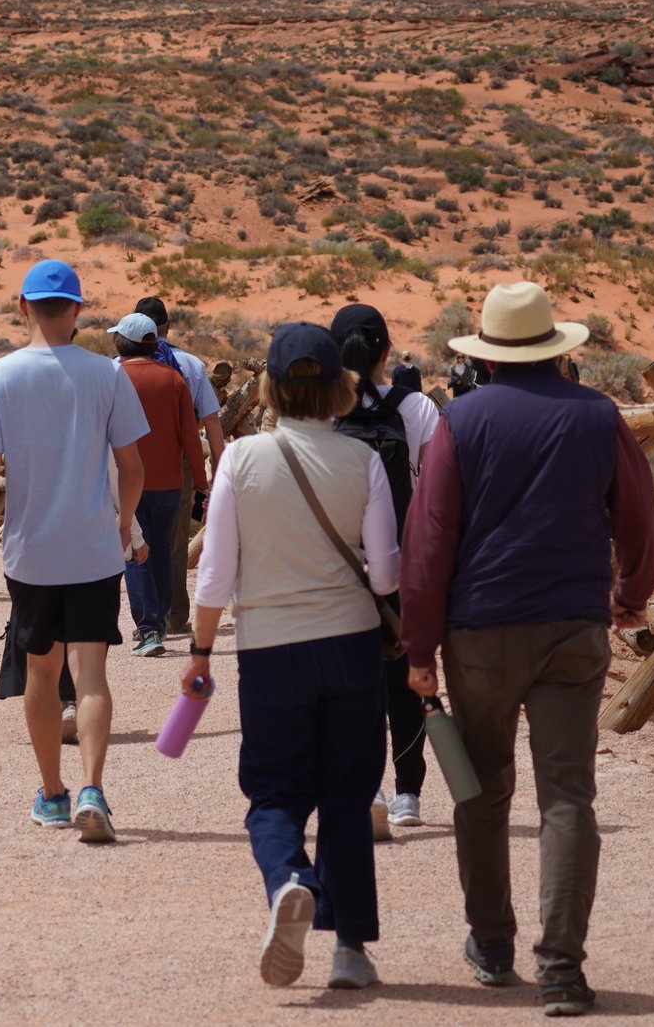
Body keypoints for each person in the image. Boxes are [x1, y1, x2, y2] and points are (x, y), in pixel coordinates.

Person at [399, 281, 654, 1018]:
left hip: (480, 628)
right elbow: (640, 516)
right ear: (555, 348)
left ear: (485, 353)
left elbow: (429, 540)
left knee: (482, 789)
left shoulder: (461, 420)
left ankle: (491, 943)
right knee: (567, 795)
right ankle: (562, 969)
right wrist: (631, 592)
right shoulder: (598, 416)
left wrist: (419, 646)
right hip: (573, 624)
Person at [189, 322, 399, 991]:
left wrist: (199, 651)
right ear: (339, 386)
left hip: (270, 648)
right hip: (351, 644)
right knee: (347, 796)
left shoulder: (241, 460)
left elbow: (214, 574)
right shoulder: (362, 459)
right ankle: (351, 951)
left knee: (275, 793)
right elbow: (386, 575)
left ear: (270, 388)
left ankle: (289, 878)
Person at [0, 259, 148, 843]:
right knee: (90, 672)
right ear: (77, 310)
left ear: (23, 307)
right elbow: (132, 467)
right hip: (93, 549)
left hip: (31, 553)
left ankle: (52, 793)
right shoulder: (107, 375)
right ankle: (93, 787)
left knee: (41, 672)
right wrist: (123, 523)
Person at [330, 303, 444, 833]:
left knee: (350, 681)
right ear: (387, 351)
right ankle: (408, 793)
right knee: (407, 677)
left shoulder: (323, 407)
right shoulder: (417, 407)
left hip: (340, 566)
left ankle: (365, 784)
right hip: (405, 561)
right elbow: (436, 492)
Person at [109, 313, 208, 658]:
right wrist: (200, 482)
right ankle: (160, 622)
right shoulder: (174, 379)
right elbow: (190, 437)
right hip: (169, 482)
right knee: (163, 551)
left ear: (123, 342)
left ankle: (149, 628)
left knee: (135, 550)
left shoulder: (113, 377)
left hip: (126, 482)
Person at [132, 296, 225, 633]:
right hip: (179, 461)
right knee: (173, 540)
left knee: (136, 535)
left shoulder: (118, 367)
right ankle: (173, 613)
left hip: (130, 460)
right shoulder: (189, 365)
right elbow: (211, 420)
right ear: (167, 327)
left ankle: (147, 617)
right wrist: (219, 470)